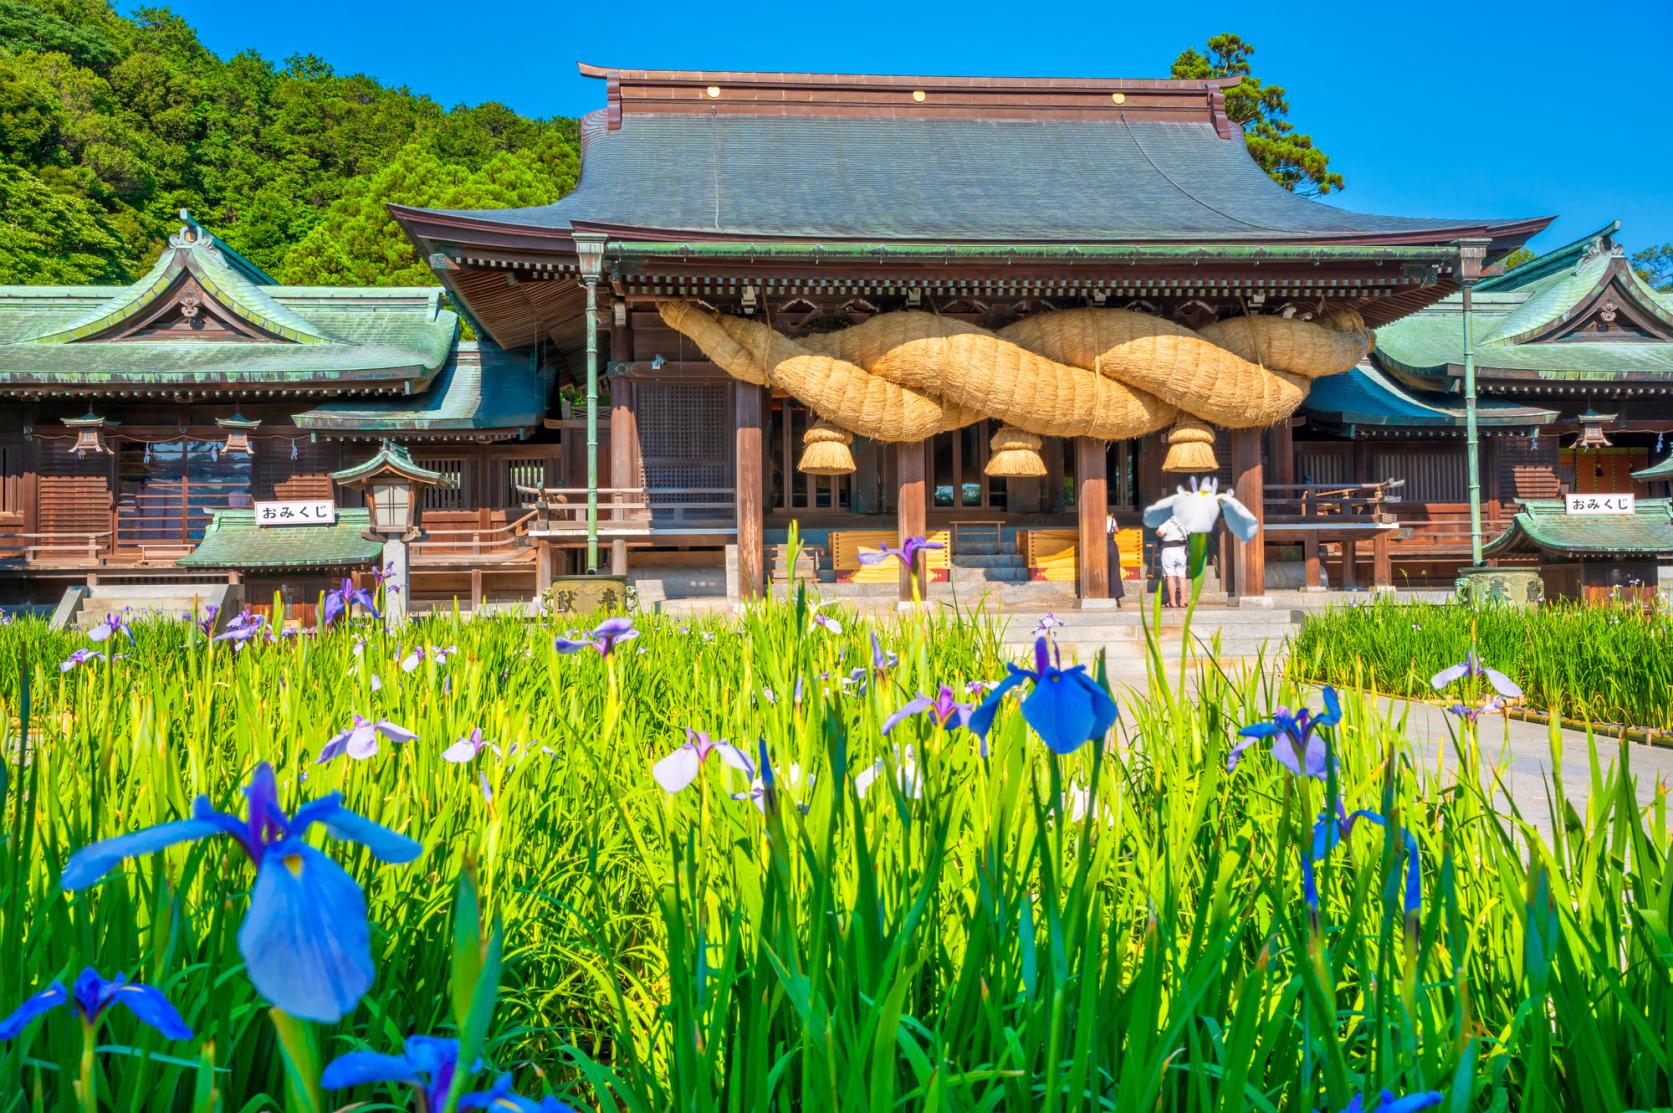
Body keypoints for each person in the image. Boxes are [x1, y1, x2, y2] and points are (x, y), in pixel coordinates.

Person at [1155, 514, 1189, 608]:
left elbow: (1160, 533)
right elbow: (1189, 532)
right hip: (1182, 550)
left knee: (1170, 576)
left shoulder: (1166, 519)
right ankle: (1183, 601)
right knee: (1182, 576)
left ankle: (1172, 602)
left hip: (1169, 550)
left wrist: (1156, 532)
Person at [1103, 512, 1127, 605]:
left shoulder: (1096, 519)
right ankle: (1115, 596)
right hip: (1110, 544)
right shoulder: (1111, 519)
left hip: (1099, 544)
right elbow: (1117, 530)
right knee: (1114, 570)